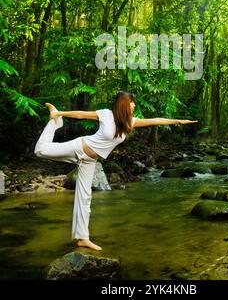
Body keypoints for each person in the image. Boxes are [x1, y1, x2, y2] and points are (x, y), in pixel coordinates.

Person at [34, 91, 198, 251]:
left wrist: (179, 121)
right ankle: (55, 120)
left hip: (90, 160)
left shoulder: (129, 122)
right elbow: (81, 114)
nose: (134, 105)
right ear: (123, 104)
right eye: (131, 102)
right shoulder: (106, 114)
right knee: (40, 150)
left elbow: (155, 120)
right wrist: (60, 112)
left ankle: (83, 238)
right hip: (79, 147)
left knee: (85, 197)